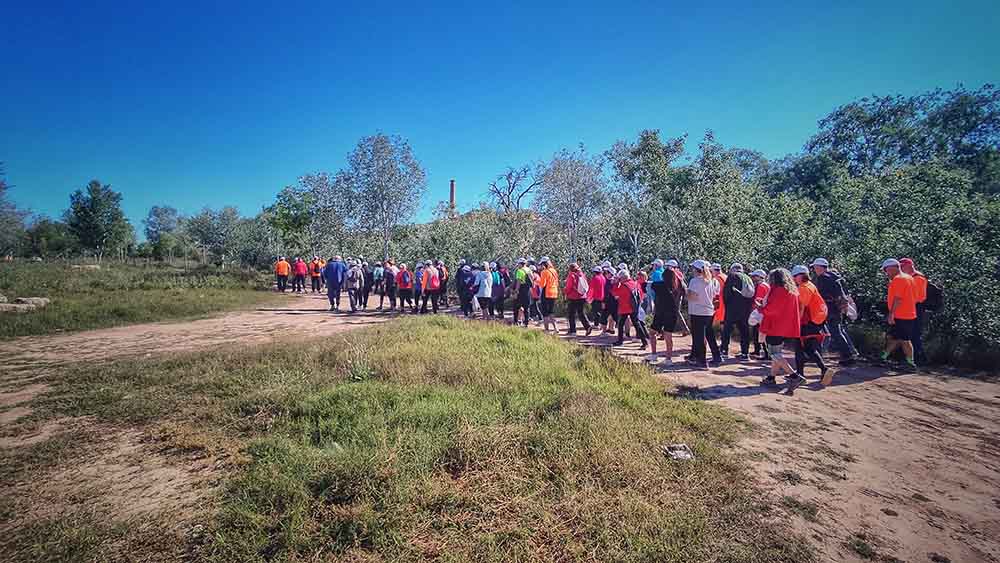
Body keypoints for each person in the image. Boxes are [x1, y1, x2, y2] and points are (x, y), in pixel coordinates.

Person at [759, 268, 804, 391]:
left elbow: (772, 309)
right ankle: (771, 377)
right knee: (777, 352)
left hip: (776, 326)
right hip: (786, 326)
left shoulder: (779, 291)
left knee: (774, 353)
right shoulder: (792, 291)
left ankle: (794, 375)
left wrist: (761, 308)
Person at [811, 258, 859, 365]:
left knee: (830, 332)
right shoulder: (835, 277)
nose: (814, 269)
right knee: (837, 332)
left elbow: (820, 294)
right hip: (836, 308)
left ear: (819, 267)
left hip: (829, 308)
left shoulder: (823, 278)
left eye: (815, 267)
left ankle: (846, 356)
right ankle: (848, 355)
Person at [792, 264, 831, 385]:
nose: (793, 278)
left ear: (801, 276)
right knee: (805, 348)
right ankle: (800, 374)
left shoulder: (804, 288)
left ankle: (823, 370)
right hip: (815, 321)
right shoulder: (810, 285)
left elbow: (802, 308)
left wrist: (796, 322)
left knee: (805, 348)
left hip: (808, 322)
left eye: (795, 276)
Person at [878, 258, 918, 371]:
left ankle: (911, 364)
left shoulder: (899, 279)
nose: (886, 273)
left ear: (892, 268)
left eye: (886, 270)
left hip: (902, 315)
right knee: (895, 337)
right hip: (908, 313)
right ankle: (883, 357)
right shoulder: (909, 278)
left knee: (905, 340)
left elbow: (898, 299)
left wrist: (891, 314)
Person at [687, 260, 722, 368]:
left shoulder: (694, 281)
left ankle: (702, 361)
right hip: (709, 311)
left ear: (696, 270)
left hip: (697, 311)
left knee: (699, 337)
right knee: (709, 335)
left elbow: (692, 296)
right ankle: (717, 356)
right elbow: (715, 295)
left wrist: (686, 293)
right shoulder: (713, 281)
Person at [720, 263, 756, 360]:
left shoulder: (732, 276)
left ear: (733, 269)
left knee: (727, 330)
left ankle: (724, 351)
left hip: (733, 308)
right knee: (744, 331)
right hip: (745, 310)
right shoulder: (748, 278)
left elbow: (726, 293)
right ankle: (745, 353)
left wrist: (727, 306)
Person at [649, 259, 680, 364]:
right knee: (668, 336)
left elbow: (648, 285)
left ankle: (654, 355)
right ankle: (668, 359)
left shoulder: (659, 286)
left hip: (661, 313)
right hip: (673, 313)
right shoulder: (677, 287)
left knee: (652, 332)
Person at [610, 268, 649, 349]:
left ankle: (620, 341)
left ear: (623, 278)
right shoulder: (634, 283)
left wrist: (616, 283)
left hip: (625, 307)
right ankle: (644, 342)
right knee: (636, 324)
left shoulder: (624, 286)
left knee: (621, 324)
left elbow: (614, 293)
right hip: (634, 307)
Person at [899, 258, 928, 364]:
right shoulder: (910, 277)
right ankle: (916, 358)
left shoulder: (918, 278)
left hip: (916, 308)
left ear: (910, 266)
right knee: (909, 334)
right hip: (911, 307)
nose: (901, 269)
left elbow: (916, 297)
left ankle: (918, 359)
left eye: (902, 266)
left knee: (914, 334)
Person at [564, 263, 593, 336]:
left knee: (571, 314)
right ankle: (587, 326)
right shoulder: (582, 274)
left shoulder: (572, 275)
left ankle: (572, 331)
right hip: (582, 296)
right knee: (581, 313)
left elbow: (569, 287)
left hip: (573, 297)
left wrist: (565, 292)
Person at [749, 269, 770, 359]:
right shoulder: (765, 285)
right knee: (759, 332)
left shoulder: (761, 286)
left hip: (761, 312)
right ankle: (759, 351)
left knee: (760, 333)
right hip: (764, 312)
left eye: (754, 276)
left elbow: (758, 301)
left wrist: (754, 311)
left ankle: (766, 353)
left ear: (759, 277)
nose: (753, 278)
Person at [537, 257, 560, 332]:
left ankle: (546, 329)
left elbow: (542, 284)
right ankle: (556, 328)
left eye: (542, 264)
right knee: (551, 311)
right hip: (554, 292)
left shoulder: (544, 272)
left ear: (544, 264)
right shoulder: (554, 271)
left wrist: (536, 282)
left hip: (546, 293)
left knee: (545, 313)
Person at [511, 258, 532, 326]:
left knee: (516, 306)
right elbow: (532, 279)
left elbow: (518, 282)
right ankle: (526, 323)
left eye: (518, 264)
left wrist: (516, 291)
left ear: (520, 264)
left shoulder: (519, 271)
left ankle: (516, 321)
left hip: (521, 289)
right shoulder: (529, 270)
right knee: (526, 307)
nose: (518, 265)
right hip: (528, 290)